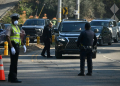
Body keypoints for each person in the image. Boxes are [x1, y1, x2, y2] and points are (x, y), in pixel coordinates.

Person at [6, 13, 27, 83]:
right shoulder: (10, 27)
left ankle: (10, 77)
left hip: (17, 45)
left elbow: (19, 38)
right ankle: (13, 78)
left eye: (17, 19)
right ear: (12, 20)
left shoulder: (17, 27)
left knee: (14, 62)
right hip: (13, 45)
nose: (16, 21)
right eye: (15, 19)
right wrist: (11, 47)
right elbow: (7, 37)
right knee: (14, 62)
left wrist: (23, 45)